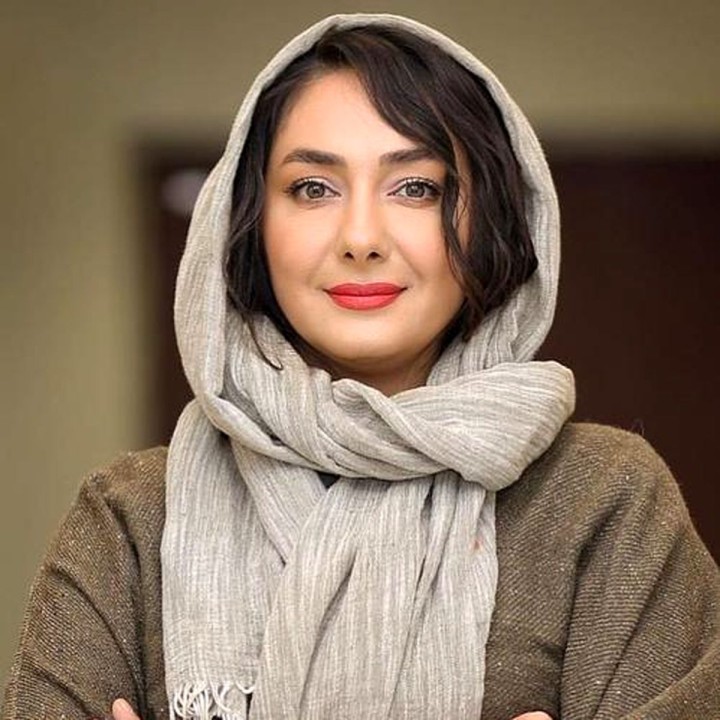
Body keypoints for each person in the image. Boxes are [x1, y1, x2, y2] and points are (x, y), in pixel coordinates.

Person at [3, 13, 719, 720]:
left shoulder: (603, 501)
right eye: (313, 188)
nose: (361, 238)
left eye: (417, 187)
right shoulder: (130, 517)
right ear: (248, 223)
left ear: (490, 222)